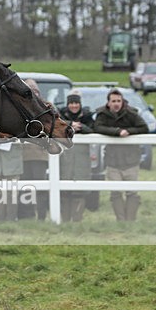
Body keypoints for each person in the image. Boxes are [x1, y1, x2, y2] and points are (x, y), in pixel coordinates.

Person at [93, 88, 149, 221]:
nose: (116, 103)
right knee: (115, 192)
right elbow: (98, 128)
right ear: (108, 103)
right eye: (113, 101)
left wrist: (128, 131)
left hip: (131, 159)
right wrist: (117, 132)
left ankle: (130, 220)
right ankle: (121, 220)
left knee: (132, 192)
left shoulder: (131, 113)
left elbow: (144, 128)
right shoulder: (102, 114)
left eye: (119, 101)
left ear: (122, 101)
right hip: (113, 160)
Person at [58, 89, 94, 222]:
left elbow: (93, 129)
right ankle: (65, 221)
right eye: (71, 103)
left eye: (76, 103)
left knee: (79, 191)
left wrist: (82, 127)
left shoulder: (87, 116)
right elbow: (55, 126)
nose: (74, 106)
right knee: (64, 191)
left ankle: (77, 220)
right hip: (65, 159)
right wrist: (70, 125)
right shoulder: (60, 115)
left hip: (81, 160)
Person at [19, 78, 49, 221]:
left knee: (41, 187)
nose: (34, 94)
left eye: (35, 91)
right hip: (23, 155)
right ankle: (27, 214)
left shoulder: (47, 107)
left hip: (40, 156)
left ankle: (41, 215)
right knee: (26, 187)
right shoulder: (20, 108)